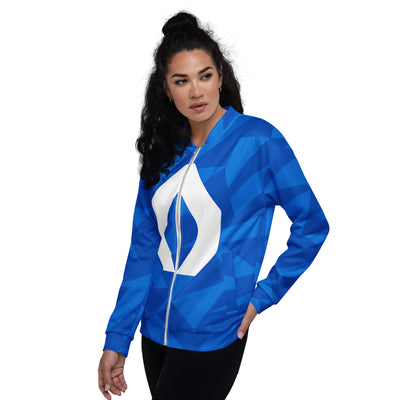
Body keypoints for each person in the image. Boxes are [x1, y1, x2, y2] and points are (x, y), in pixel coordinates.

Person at [98, 11, 329, 400]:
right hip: (154, 332)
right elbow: (143, 249)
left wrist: (262, 297)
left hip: (214, 333)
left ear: (221, 76)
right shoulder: (162, 152)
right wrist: (117, 337)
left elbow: (312, 224)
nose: (196, 91)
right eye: (181, 81)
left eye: (204, 76)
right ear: (166, 90)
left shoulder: (259, 143)